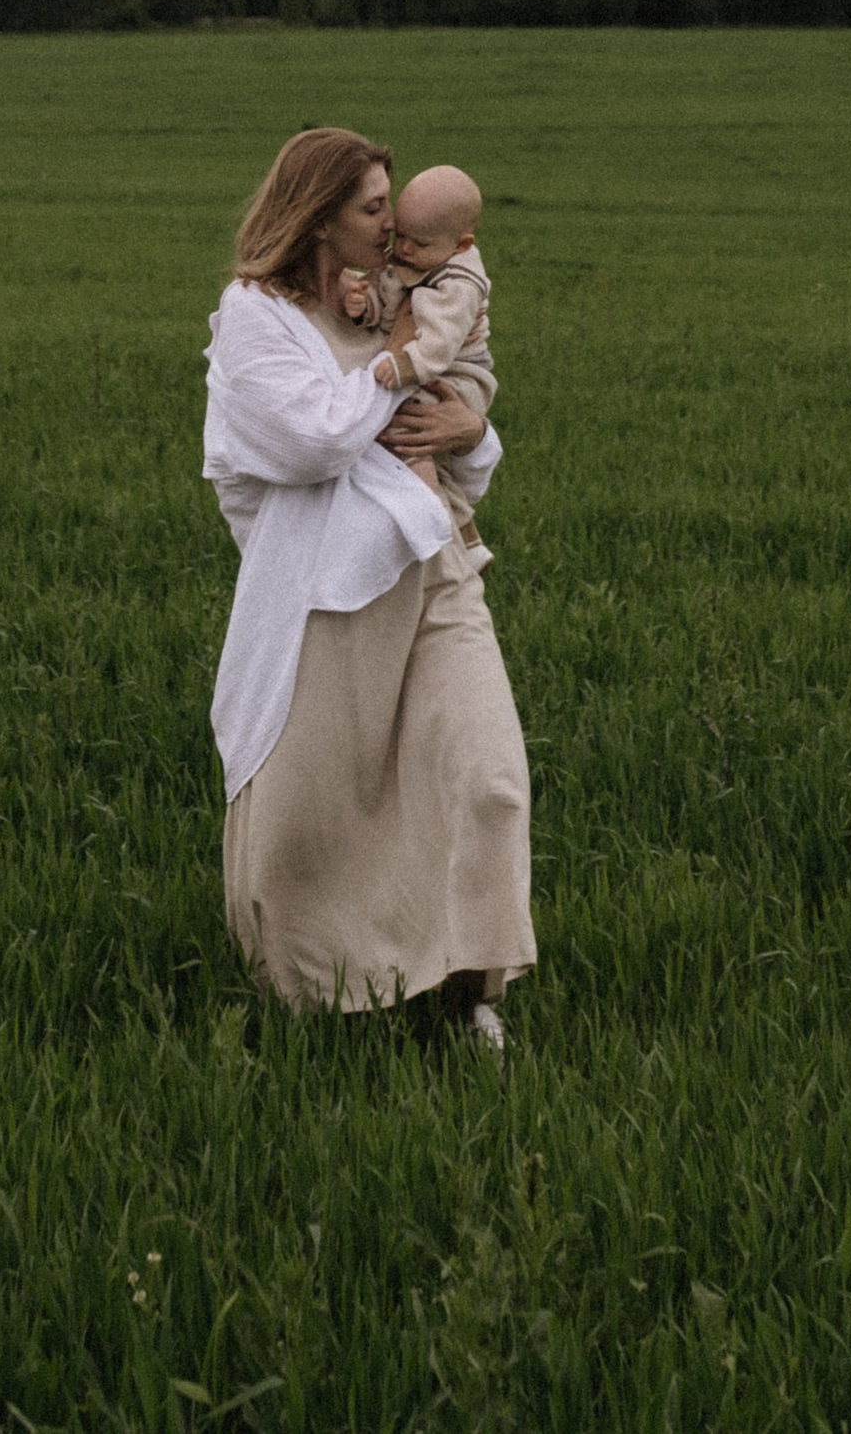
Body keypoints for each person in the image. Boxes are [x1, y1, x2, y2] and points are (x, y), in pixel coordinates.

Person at [202, 127, 536, 1049]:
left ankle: (472, 993)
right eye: (373, 208)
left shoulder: (410, 300)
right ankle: (318, 999)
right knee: (315, 817)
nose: (394, 228)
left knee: (489, 779)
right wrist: (400, 372)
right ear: (317, 220)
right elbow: (310, 441)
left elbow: (454, 438)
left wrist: (468, 428)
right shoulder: (254, 317)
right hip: (324, 592)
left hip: (437, 561)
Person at [343, 163, 496, 555]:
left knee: (406, 439)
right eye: (402, 235)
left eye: (419, 243)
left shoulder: (459, 283)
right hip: (424, 368)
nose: (404, 249)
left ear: (461, 245)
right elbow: (390, 300)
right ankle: (464, 536)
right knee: (420, 449)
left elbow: (440, 343)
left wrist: (401, 365)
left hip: (456, 377)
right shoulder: (415, 258)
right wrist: (366, 307)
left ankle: (438, 533)